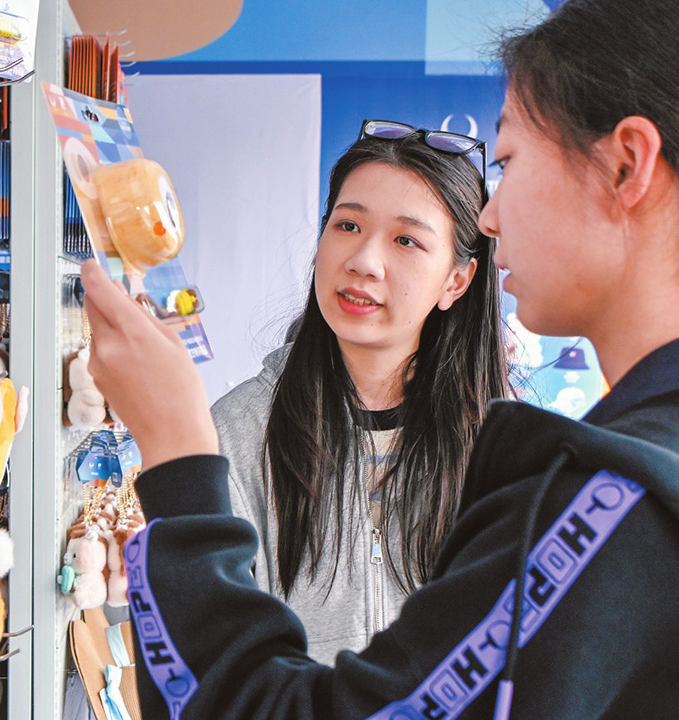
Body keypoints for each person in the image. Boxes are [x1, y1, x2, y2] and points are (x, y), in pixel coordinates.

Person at [79, 0, 679, 717]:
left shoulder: (606, 498)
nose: (492, 217)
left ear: (626, 164)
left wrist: (177, 456)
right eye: (347, 225)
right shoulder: (245, 426)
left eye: (511, 162)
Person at [212, 127, 509, 664]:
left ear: (457, 281)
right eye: (348, 225)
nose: (364, 260)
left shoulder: (502, 448)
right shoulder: (237, 431)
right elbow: (215, 652)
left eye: (406, 240)